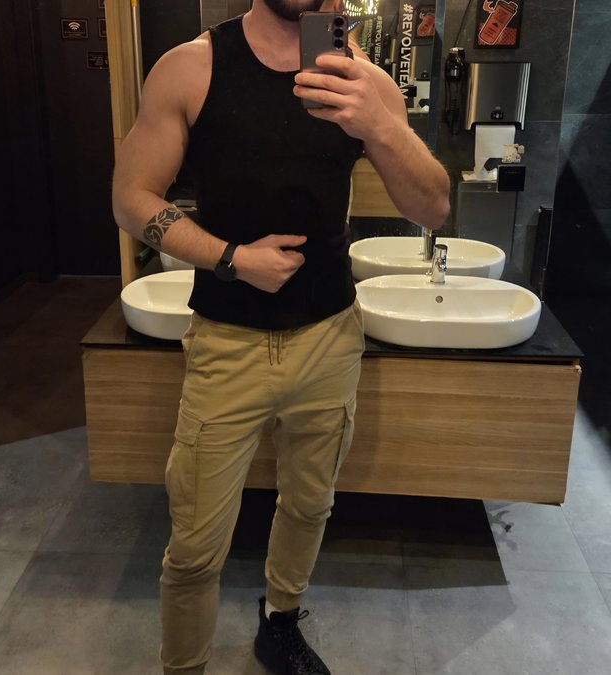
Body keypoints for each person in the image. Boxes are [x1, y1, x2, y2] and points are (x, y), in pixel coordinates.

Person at [112, 1, 449, 673]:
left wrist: (380, 126)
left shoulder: (364, 82)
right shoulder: (192, 68)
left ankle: (281, 622)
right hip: (226, 341)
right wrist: (232, 258)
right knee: (195, 542)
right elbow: (131, 196)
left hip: (329, 336)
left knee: (309, 504)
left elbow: (433, 206)